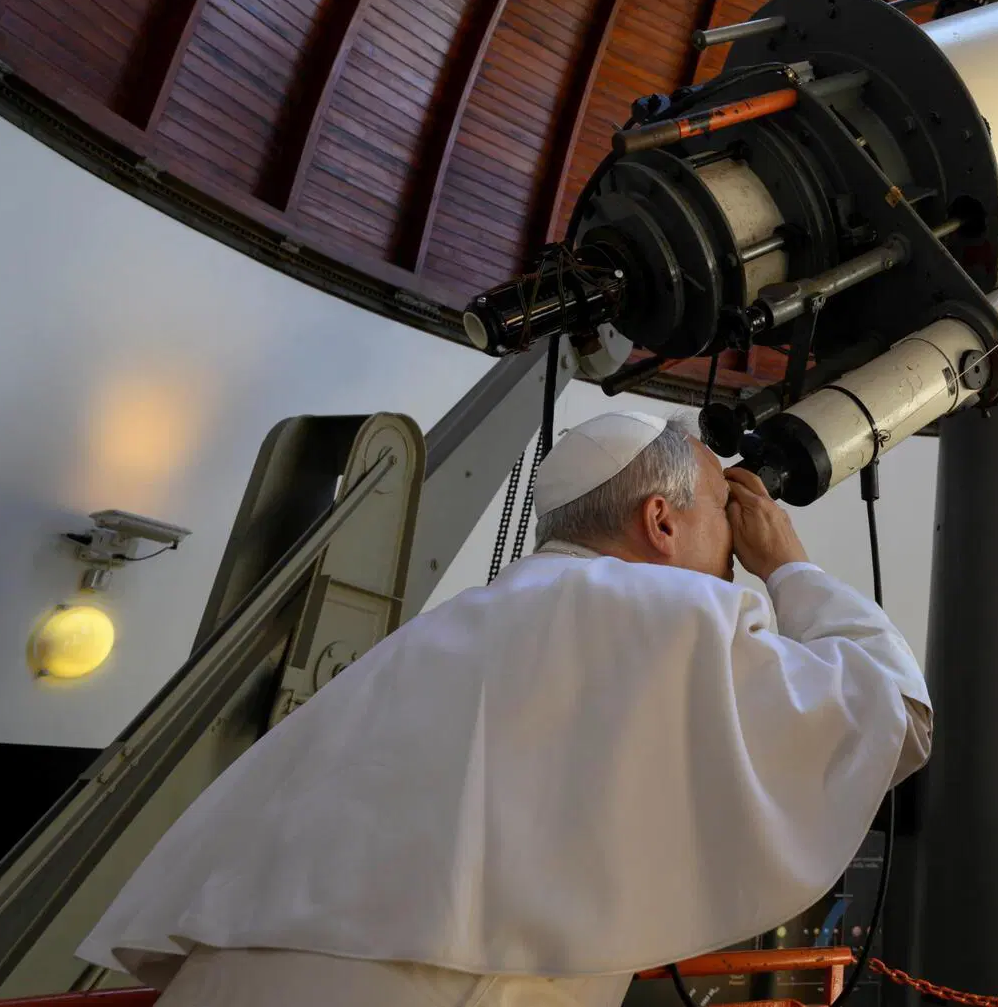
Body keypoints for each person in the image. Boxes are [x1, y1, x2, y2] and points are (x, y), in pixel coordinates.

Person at [82, 410, 931, 1006]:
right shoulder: (679, 616)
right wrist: (789, 565)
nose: (737, 549)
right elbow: (894, 708)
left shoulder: (446, 628)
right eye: (726, 515)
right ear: (662, 522)